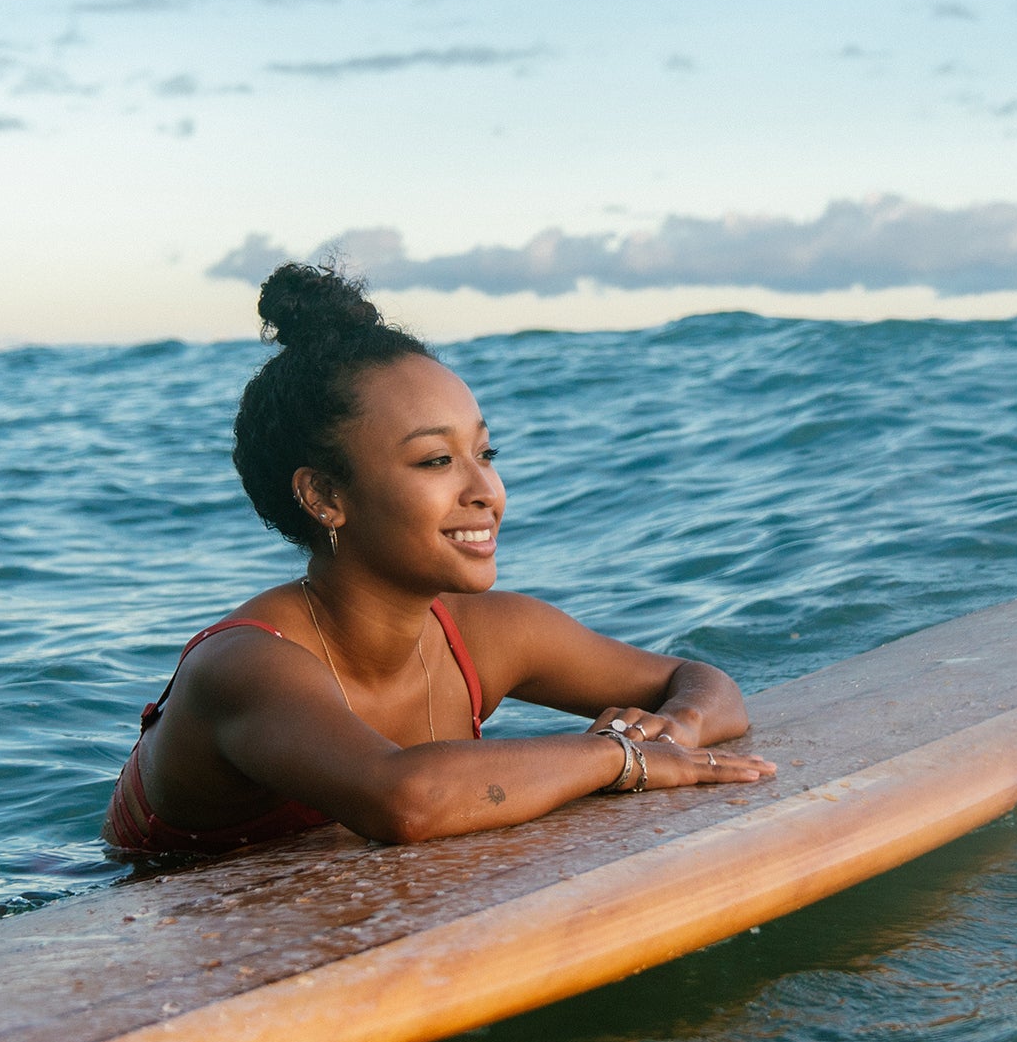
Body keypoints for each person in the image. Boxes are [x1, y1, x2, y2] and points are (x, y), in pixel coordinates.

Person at [105, 262, 775, 855]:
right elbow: (406, 802)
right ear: (325, 496)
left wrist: (677, 728)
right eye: (436, 461)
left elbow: (704, 683)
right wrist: (621, 759)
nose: (485, 491)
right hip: (139, 931)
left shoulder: (484, 633)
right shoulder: (244, 666)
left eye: (486, 454)